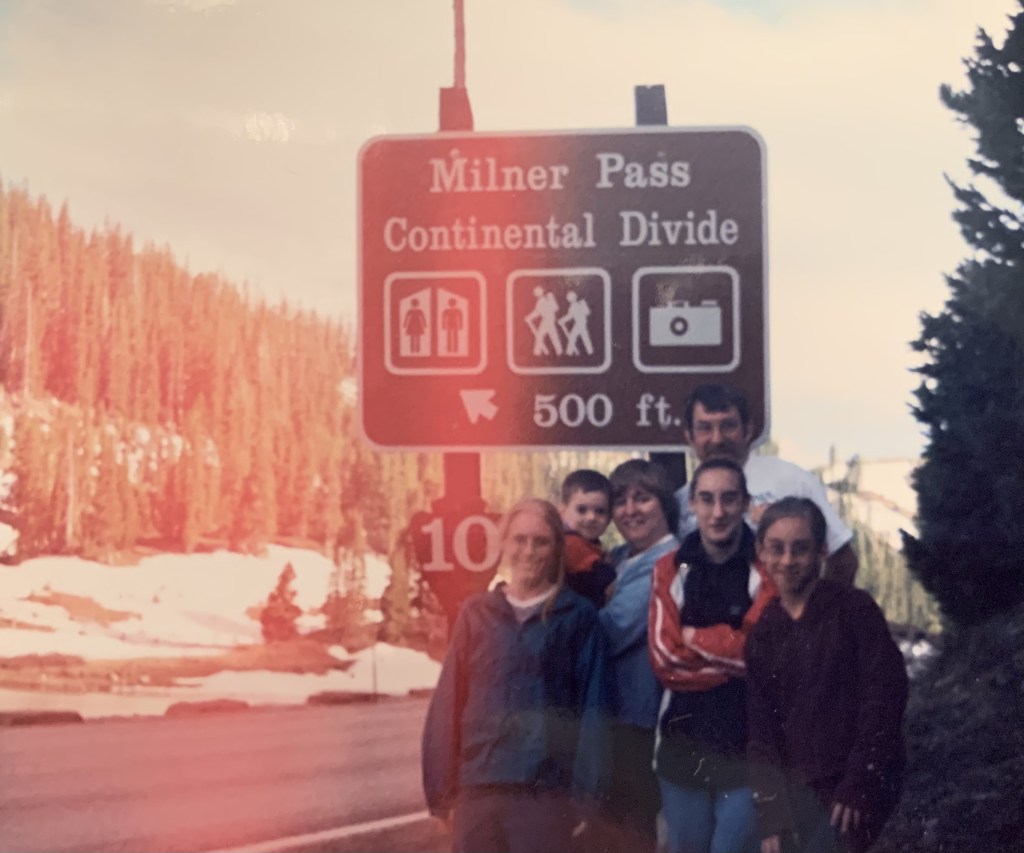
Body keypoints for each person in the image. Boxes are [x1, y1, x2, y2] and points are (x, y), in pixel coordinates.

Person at [421, 498, 610, 853]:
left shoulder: (577, 617)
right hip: (478, 789)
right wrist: (441, 791)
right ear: (504, 543)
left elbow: (594, 710)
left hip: (545, 793)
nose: (529, 551)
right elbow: (448, 704)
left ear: (557, 548)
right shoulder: (477, 614)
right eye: (520, 540)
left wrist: (587, 796)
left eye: (541, 542)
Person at [745, 498, 908, 853]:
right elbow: (761, 730)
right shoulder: (763, 633)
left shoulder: (853, 610)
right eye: (777, 548)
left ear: (821, 551)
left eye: (800, 548)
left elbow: (883, 697)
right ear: (761, 552)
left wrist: (860, 780)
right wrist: (771, 811)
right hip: (800, 791)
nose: (787, 560)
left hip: (855, 784)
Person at [648, 459, 778, 853]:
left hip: (747, 749)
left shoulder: (765, 567)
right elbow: (665, 660)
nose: (718, 512)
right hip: (681, 748)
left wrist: (694, 639)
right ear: (692, 504)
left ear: (745, 503)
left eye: (729, 499)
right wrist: (733, 652)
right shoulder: (670, 567)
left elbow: (765, 659)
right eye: (707, 499)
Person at [678, 383, 858, 585]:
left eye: (728, 426)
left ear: (748, 430)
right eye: (705, 428)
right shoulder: (682, 500)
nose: (717, 438)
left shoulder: (793, 481)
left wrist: (816, 604)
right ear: (689, 436)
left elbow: (842, 559)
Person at [595, 459, 681, 853]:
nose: (630, 510)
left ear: (664, 504)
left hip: (638, 723)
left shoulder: (666, 562)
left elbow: (609, 632)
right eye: (620, 501)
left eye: (642, 498)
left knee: (630, 832)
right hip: (613, 717)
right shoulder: (617, 557)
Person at [559, 468, 616, 608]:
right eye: (582, 510)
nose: (591, 517)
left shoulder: (590, 544)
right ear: (562, 511)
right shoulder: (570, 545)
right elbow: (603, 582)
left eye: (600, 511)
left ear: (609, 518)